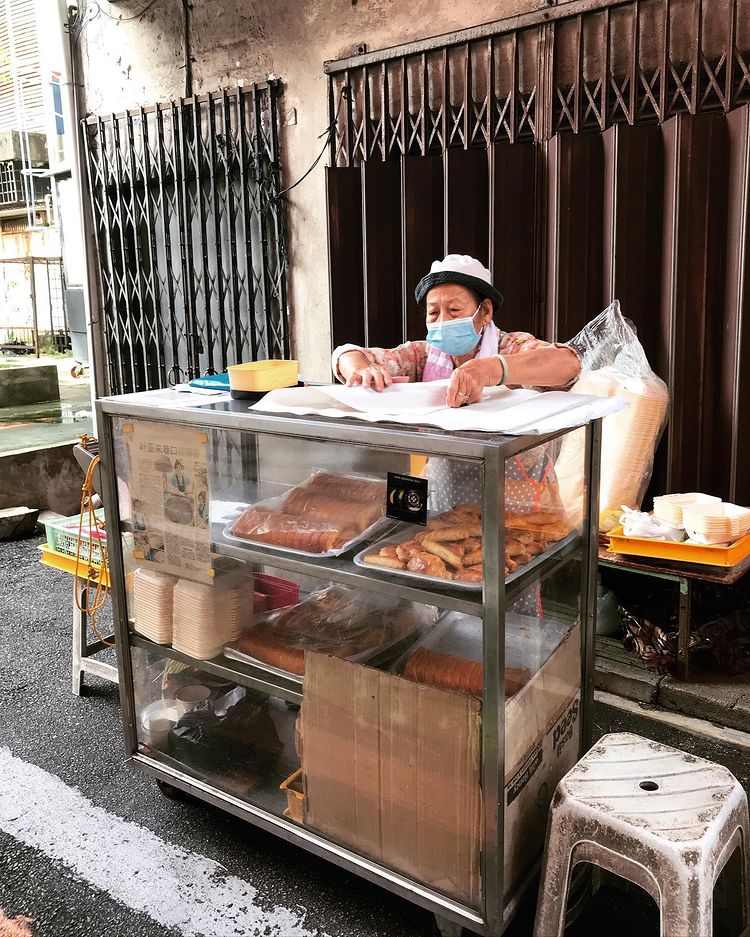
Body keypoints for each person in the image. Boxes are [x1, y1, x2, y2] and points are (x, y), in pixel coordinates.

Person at [333, 254, 580, 406]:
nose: (442, 321)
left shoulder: (511, 347)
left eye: (454, 310)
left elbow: (568, 364)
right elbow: (347, 354)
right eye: (433, 312)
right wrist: (361, 369)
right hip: (442, 478)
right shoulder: (421, 356)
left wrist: (491, 370)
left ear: (485, 312)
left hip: (516, 483)